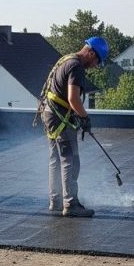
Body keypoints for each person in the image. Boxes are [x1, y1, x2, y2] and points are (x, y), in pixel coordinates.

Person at [39, 36, 109, 217]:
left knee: (56, 158)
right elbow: (73, 98)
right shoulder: (76, 66)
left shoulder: (66, 59)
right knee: (70, 160)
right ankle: (70, 204)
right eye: (96, 61)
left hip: (49, 114)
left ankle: (55, 201)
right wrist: (84, 118)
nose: (94, 66)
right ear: (91, 53)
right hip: (59, 118)